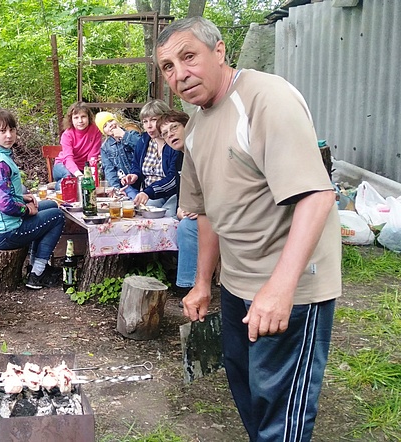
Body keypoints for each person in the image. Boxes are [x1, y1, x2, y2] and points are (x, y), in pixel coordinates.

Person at [156, 17, 341, 442]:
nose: (180, 74)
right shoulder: (197, 124)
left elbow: (317, 196)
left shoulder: (265, 99)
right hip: (238, 287)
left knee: (281, 413)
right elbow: (206, 213)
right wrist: (203, 282)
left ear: (219, 51)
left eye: (189, 57)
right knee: (250, 395)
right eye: (168, 66)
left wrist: (281, 288)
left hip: (290, 288)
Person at [0, 109, 65, 290]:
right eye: (2, 131)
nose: (9, 136)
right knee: (57, 216)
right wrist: (26, 209)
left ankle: (35, 264)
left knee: (48, 204)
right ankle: (37, 274)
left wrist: (22, 197)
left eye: (12, 130)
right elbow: (6, 205)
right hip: (3, 233)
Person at [157, 110, 195, 294]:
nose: (170, 134)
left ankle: (188, 286)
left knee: (187, 227)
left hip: (221, 209)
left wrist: (202, 210)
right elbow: (184, 192)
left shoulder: (200, 150)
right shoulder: (181, 156)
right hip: (197, 209)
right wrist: (182, 208)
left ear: (187, 126)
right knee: (177, 218)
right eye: (165, 133)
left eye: (174, 128)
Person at [119, 100, 179, 216]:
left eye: (153, 120)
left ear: (164, 119)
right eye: (145, 121)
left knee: (168, 216)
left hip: (173, 193)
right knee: (144, 213)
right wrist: (134, 176)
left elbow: (174, 178)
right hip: (150, 193)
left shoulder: (174, 142)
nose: (149, 126)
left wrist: (148, 192)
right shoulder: (144, 140)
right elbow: (136, 166)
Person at [51, 102, 102, 189]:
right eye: (76, 118)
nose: (80, 121)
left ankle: (59, 186)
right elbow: (68, 159)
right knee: (69, 179)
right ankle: (60, 190)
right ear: (71, 120)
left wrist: (89, 175)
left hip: (83, 169)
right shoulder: (67, 135)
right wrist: (78, 175)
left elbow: (92, 157)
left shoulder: (95, 131)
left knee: (81, 185)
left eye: (83, 117)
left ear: (88, 117)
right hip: (62, 165)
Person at [96, 111, 142, 199]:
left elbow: (142, 147)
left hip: (141, 178)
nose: (110, 125)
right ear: (104, 132)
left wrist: (123, 135)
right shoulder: (105, 148)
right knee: (133, 198)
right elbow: (110, 171)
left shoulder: (132, 134)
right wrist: (116, 190)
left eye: (111, 121)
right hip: (126, 184)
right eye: (105, 126)